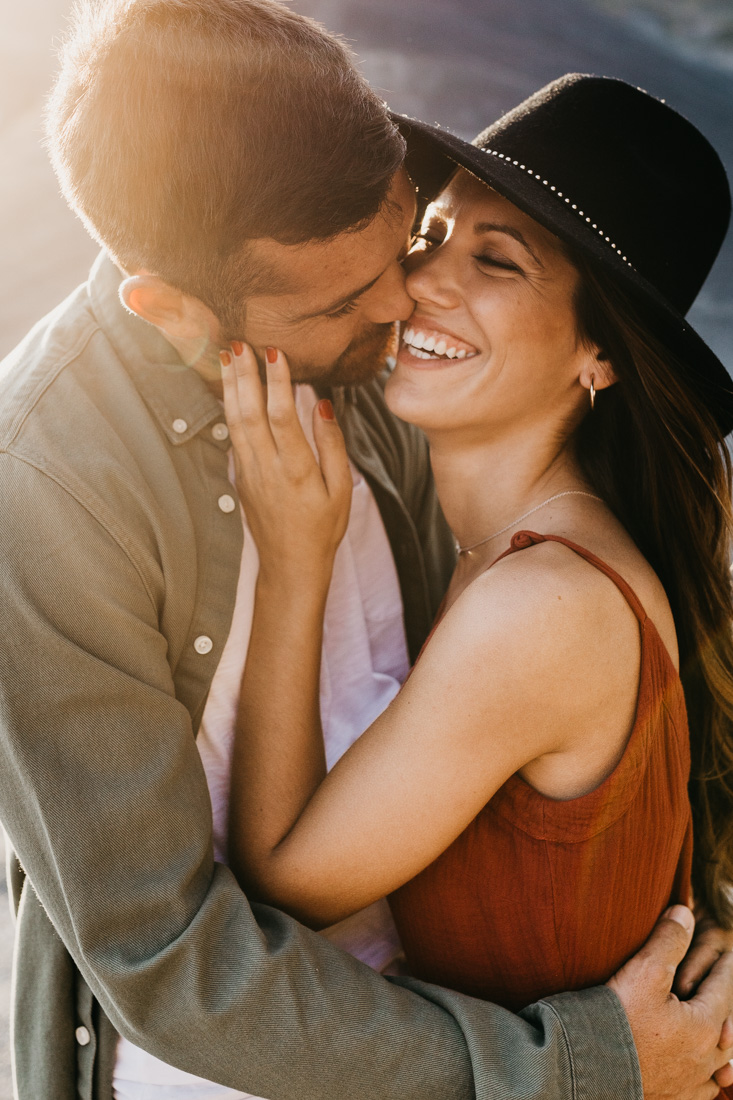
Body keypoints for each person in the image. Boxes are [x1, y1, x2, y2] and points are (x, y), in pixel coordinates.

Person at [0, 0, 730, 1091]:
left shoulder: (415, 390)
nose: (406, 296)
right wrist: (579, 1062)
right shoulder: (48, 486)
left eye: (409, 233)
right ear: (175, 308)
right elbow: (165, 959)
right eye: (360, 290)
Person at [221, 70, 733, 1084]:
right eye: (431, 236)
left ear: (600, 355)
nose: (421, 282)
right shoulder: (514, 550)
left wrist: (293, 563)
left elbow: (281, 884)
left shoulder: (541, 609)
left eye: (496, 261)